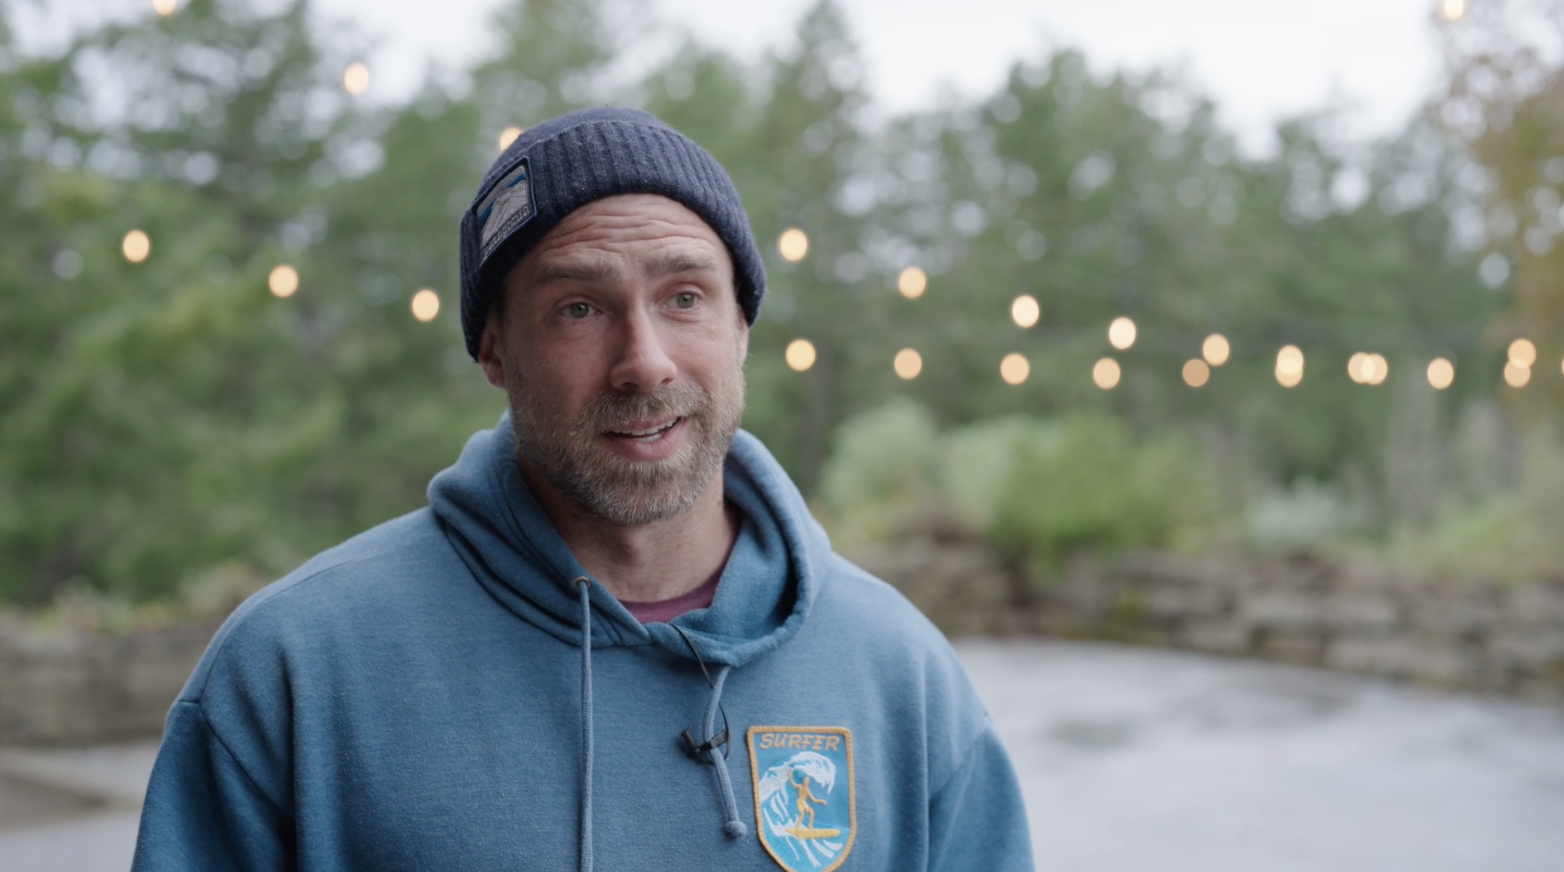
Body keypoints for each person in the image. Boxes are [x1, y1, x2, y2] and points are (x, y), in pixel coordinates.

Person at [131, 107, 1034, 872]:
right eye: (579, 309)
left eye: (685, 297)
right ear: (494, 349)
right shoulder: (294, 673)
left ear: (741, 326)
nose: (644, 362)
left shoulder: (901, 677)